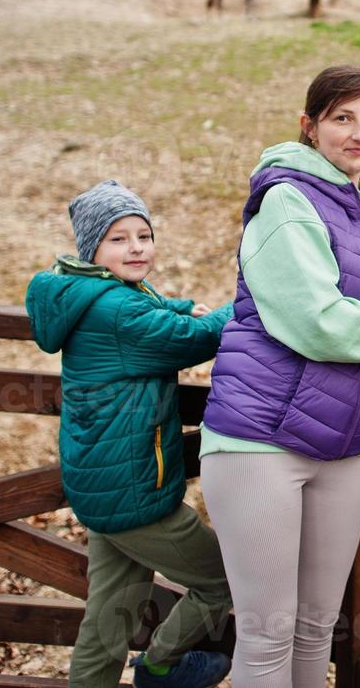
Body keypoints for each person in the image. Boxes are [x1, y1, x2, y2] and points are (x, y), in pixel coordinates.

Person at [198, 65, 360, 688]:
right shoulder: (286, 200)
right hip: (261, 440)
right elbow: (317, 322)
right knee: (267, 637)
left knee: (318, 631)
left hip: (345, 445)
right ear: (310, 126)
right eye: (343, 118)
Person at [25, 180, 234, 688]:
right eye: (119, 239)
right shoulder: (117, 309)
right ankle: (161, 666)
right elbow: (191, 341)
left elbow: (153, 316)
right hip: (135, 490)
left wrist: (180, 305)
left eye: (143, 234)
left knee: (108, 619)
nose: (136, 247)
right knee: (225, 584)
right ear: (92, 250)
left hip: (103, 483)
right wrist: (246, 305)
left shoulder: (92, 295)